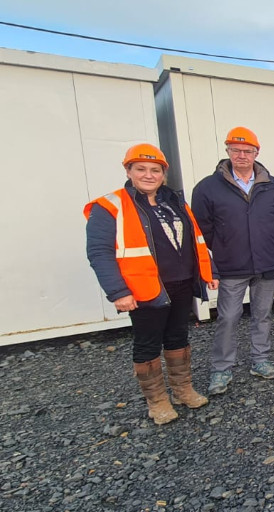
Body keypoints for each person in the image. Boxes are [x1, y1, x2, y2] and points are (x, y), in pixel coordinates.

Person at [85, 143, 213, 425]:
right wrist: (118, 292)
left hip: (180, 283)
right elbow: (99, 253)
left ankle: (182, 390)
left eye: (155, 170)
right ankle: (157, 401)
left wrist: (208, 270)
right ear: (128, 170)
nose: (148, 175)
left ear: (163, 174)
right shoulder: (110, 206)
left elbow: (195, 239)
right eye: (140, 169)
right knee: (147, 344)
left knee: (178, 337)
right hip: (144, 289)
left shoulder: (174, 201)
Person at [191, 126, 274, 395]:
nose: (242, 155)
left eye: (248, 151)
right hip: (231, 264)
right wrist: (225, 247)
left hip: (267, 262)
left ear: (257, 153)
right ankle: (222, 369)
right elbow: (202, 228)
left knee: (262, 315)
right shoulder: (207, 188)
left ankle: (260, 360)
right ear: (227, 152)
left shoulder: (273, 185)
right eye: (236, 150)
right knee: (228, 316)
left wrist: (263, 242)